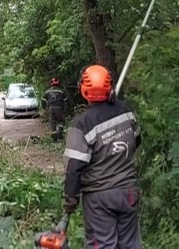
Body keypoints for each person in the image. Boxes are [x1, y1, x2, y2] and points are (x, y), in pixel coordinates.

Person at [63, 65, 142, 248]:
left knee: (103, 245)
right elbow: (136, 141)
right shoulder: (126, 112)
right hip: (128, 193)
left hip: (99, 198)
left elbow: (73, 168)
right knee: (130, 245)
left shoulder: (81, 125)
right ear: (110, 87)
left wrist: (70, 201)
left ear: (83, 90)